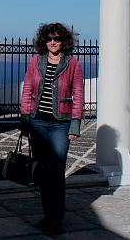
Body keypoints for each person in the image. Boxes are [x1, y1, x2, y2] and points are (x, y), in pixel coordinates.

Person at [20, 23, 84, 234]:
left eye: (56, 38)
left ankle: (57, 218)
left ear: (63, 40)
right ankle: (47, 215)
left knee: (56, 171)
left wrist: (75, 123)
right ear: (43, 41)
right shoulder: (36, 62)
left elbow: (78, 93)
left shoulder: (72, 63)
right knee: (43, 171)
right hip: (37, 122)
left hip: (60, 123)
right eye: (49, 39)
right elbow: (28, 89)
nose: (53, 42)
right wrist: (25, 119)